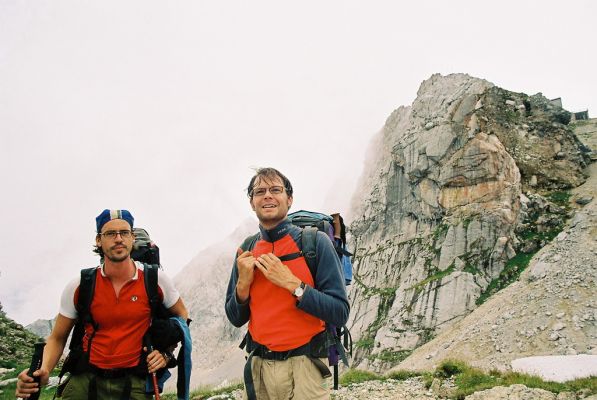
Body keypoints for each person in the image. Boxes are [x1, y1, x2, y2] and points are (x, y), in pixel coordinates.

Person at [16, 209, 189, 399]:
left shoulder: (156, 280)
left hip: (134, 381)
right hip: (86, 378)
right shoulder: (80, 286)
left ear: (132, 237)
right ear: (99, 240)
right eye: (110, 233)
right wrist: (45, 369)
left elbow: (182, 318)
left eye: (124, 233)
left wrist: (165, 353)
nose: (118, 239)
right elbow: (58, 337)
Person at [225, 168, 350, 400]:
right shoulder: (247, 249)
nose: (267, 196)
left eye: (276, 190)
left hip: (308, 366)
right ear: (252, 203)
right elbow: (235, 318)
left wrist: (292, 283)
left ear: (289, 199)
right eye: (259, 191)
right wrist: (243, 284)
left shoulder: (315, 243)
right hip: (259, 366)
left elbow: (340, 312)